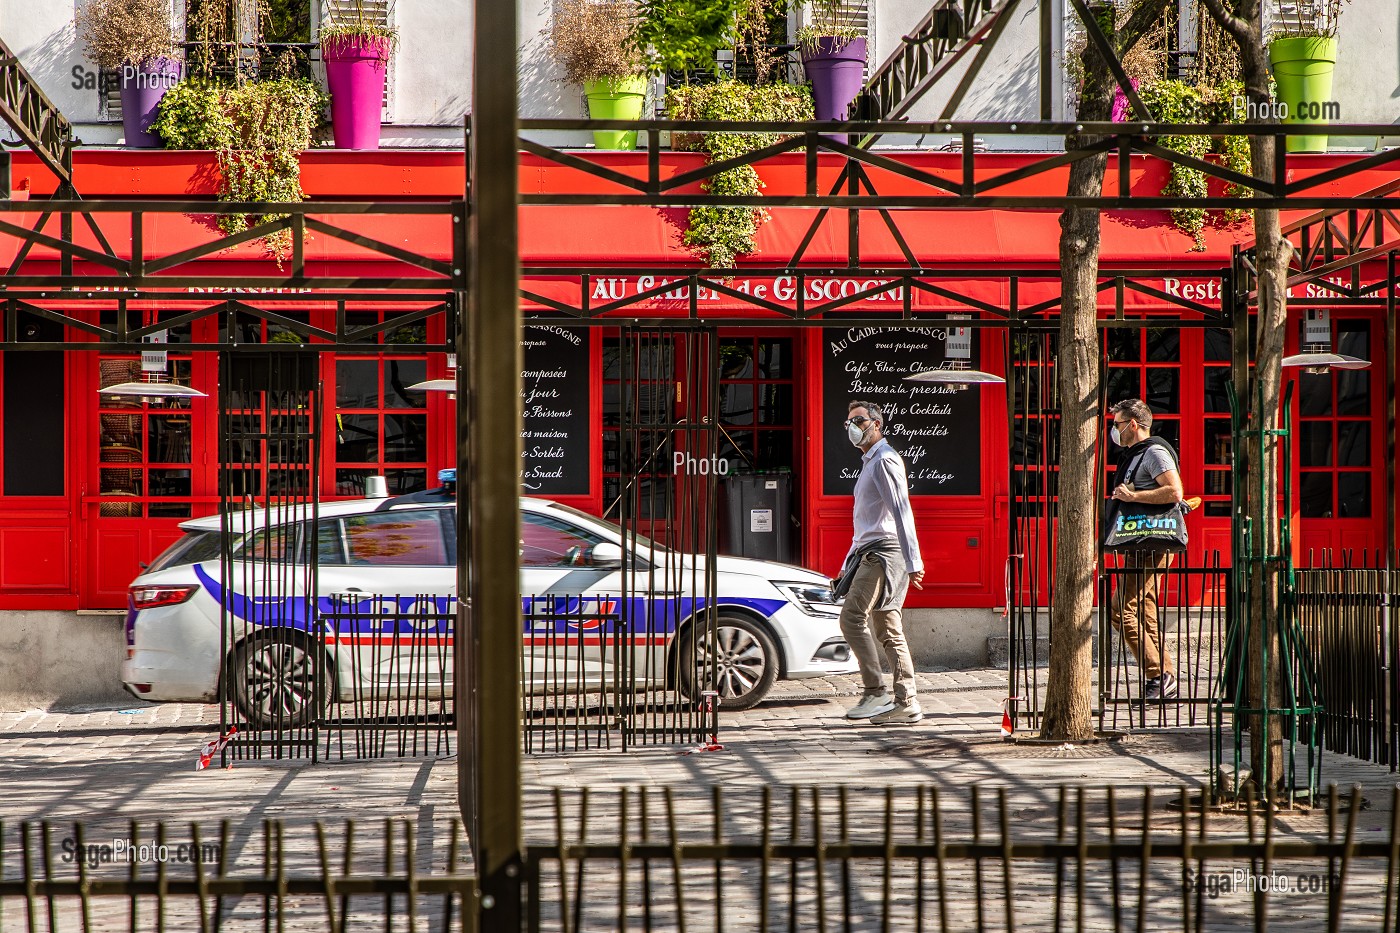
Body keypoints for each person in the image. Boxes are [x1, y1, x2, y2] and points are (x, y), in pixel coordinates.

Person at [831, 400, 926, 724]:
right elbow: (866, 522)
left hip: (884, 553)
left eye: (858, 420)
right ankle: (907, 701)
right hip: (872, 550)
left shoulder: (885, 460)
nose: (853, 427)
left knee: (852, 617)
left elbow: (901, 511)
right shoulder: (870, 462)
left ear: (877, 423)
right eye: (849, 423)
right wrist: (847, 561)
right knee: (888, 627)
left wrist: (914, 561)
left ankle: (875, 693)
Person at [1107, 398, 1185, 701]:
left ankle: (1158, 673)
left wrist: (1133, 494)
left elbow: (1174, 491)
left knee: (1121, 610)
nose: (1115, 430)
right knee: (1145, 610)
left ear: (1133, 424)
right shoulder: (1137, 454)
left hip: (1150, 542)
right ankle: (1163, 677)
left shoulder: (1154, 452)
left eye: (1117, 424)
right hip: (1138, 542)